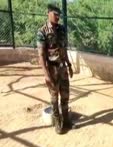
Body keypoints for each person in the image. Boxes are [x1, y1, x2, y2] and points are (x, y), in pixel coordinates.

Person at [37, 4, 74, 134]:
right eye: (55, 14)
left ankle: (66, 120)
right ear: (48, 13)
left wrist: (69, 65)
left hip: (63, 68)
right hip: (52, 70)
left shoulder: (62, 29)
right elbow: (41, 55)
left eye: (59, 15)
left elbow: (64, 50)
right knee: (54, 98)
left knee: (65, 96)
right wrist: (46, 75)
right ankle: (57, 123)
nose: (58, 17)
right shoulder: (42, 32)